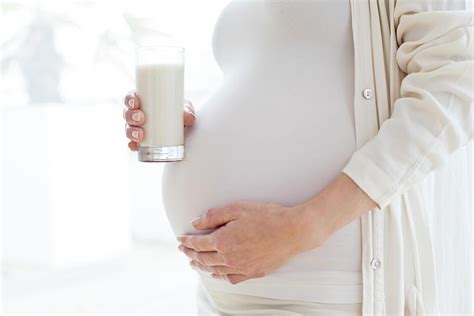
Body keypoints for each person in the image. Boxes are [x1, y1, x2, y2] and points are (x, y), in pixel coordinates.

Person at [122, 0, 473, 314]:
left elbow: (455, 84)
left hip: (322, 291)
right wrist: (186, 119)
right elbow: (284, 78)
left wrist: (306, 228)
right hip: (223, 291)